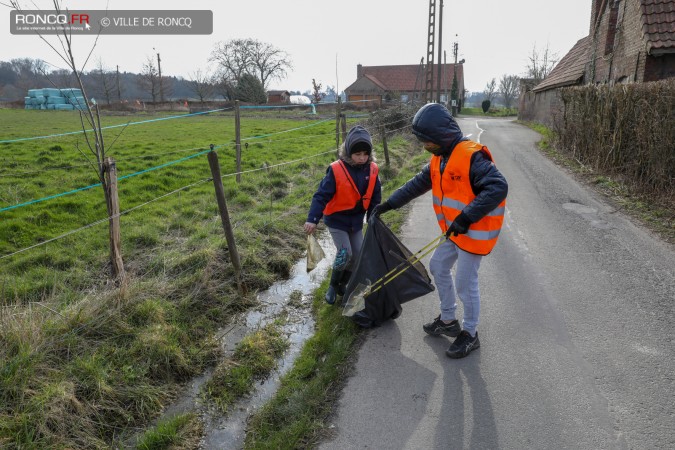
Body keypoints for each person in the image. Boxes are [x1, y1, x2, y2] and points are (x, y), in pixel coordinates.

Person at [372, 103, 507, 358]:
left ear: (441, 136)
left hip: (473, 233)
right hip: (454, 232)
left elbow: (498, 187)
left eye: (428, 141)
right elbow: (416, 185)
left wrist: (466, 217)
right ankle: (448, 320)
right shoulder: (440, 159)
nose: (425, 146)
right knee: (438, 266)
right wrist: (389, 204)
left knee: (466, 284)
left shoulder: (472, 156)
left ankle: (470, 333)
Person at [304, 125, 382, 305]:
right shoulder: (336, 169)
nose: (362, 158)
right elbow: (321, 195)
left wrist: (372, 217)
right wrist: (312, 219)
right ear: (348, 152)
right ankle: (332, 286)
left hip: (356, 220)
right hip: (336, 220)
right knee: (344, 253)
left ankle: (342, 284)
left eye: (365, 154)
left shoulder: (372, 170)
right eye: (357, 154)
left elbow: (375, 196)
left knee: (358, 255)